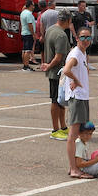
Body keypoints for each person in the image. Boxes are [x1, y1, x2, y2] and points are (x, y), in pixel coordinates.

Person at [63, 27, 94, 178]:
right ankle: (74, 168)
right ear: (77, 38)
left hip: (82, 97)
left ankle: (77, 165)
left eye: (88, 37)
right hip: (77, 97)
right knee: (73, 134)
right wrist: (75, 80)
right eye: (83, 37)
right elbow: (66, 70)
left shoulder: (83, 53)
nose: (86, 40)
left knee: (79, 133)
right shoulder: (75, 53)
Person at [41, 12, 72, 140]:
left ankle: (63, 127)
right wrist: (49, 65)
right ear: (67, 20)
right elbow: (58, 57)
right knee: (55, 100)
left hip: (56, 72)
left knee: (61, 100)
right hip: (57, 73)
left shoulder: (50, 30)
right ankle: (55, 130)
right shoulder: (61, 35)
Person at [19, 0, 36, 70]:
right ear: (30, 6)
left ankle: (25, 64)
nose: (34, 7)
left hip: (24, 32)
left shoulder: (23, 12)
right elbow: (30, 24)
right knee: (28, 50)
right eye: (33, 5)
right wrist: (33, 34)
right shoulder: (29, 14)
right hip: (28, 33)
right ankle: (26, 65)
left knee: (24, 50)